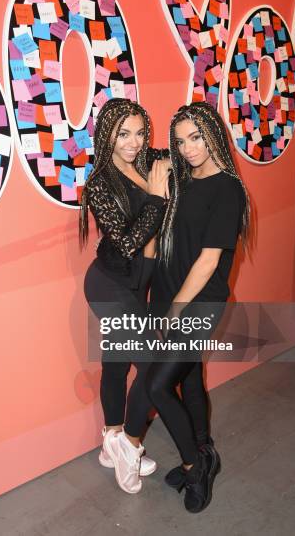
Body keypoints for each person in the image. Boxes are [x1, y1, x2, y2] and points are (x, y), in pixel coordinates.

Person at [146, 101, 250, 513]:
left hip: (197, 303)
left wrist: (175, 310)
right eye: (181, 141)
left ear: (213, 134)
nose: (189, 148)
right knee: (189, 380)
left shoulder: (227, 188)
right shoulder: (184, 180)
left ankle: (196, 465)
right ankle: (206, 449)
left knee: (157, 385)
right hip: (171, 293)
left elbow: (209, 260)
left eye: (196, 137)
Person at [79, 98, 170, 494]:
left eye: (139, 132)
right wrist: (157, 197)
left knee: (116, 366)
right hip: (109, 284)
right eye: (123, 134)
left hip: (138, 283)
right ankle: (128, 446)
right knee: (155, 365)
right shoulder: (99, 183)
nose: (134, 142)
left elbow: (180, 154)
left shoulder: (146, 160)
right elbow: (129, 242)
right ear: (107, 136)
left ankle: (108, 441)